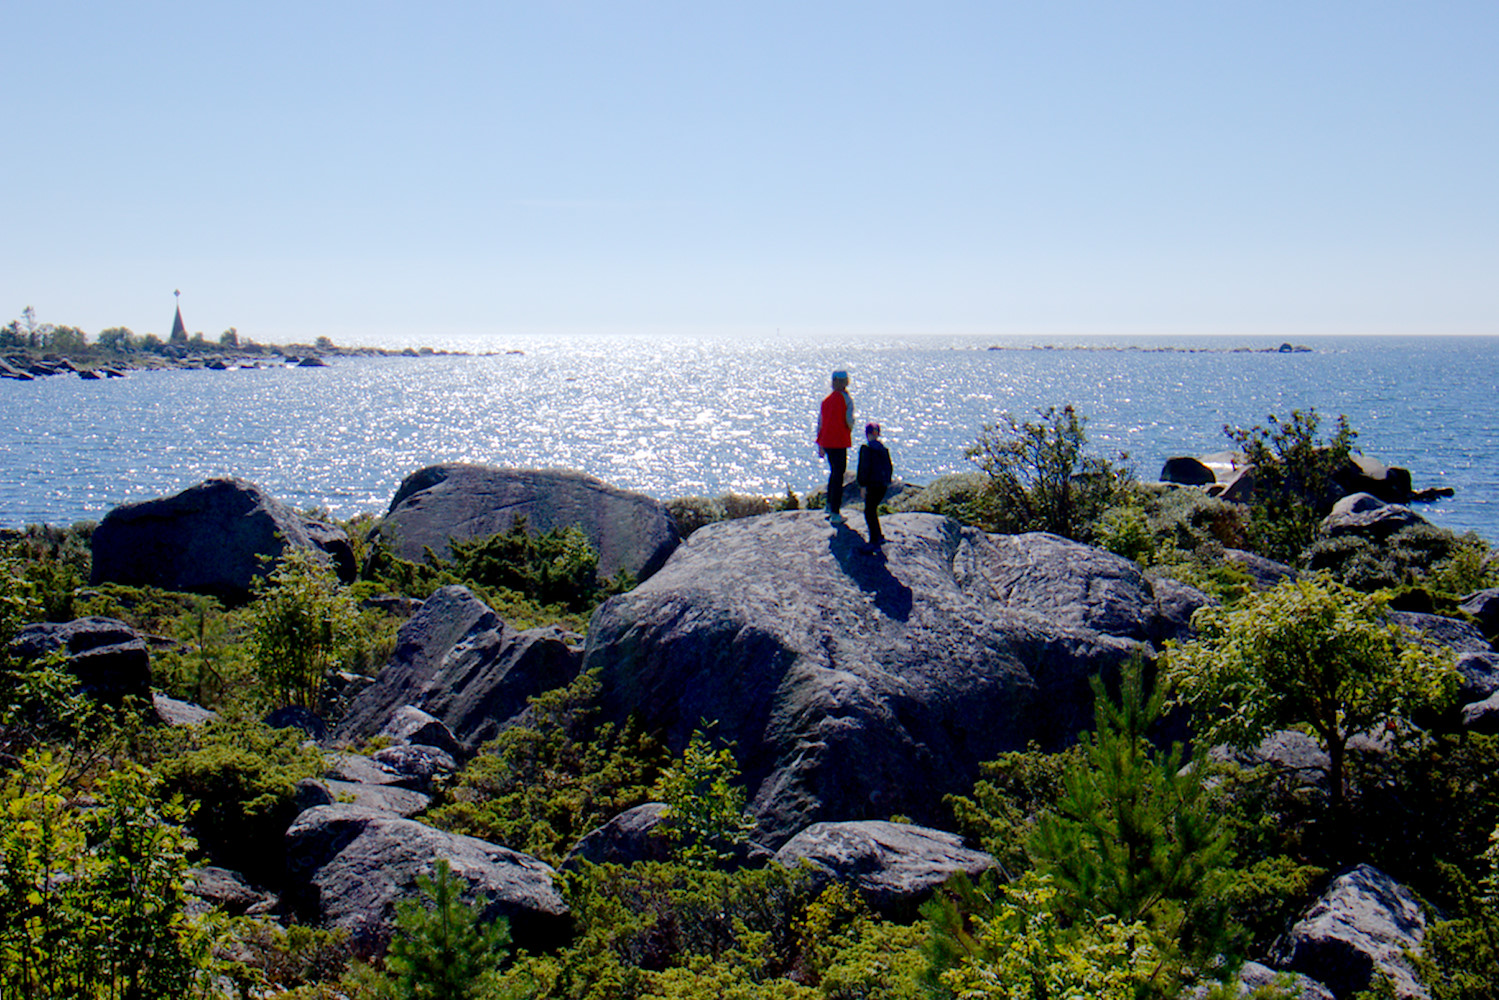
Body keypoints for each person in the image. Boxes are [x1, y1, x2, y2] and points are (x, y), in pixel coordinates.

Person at [815, 370, 855, 525]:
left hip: (827, 441)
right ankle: (835, 512)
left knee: (834, 473)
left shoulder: (826, 400)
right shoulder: (846, 399)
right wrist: (849, 429)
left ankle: (829, 505)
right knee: (839, 475)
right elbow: (849, 421)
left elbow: (820, 423)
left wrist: (820, 444)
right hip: (839, 441)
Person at [856, 422, 893, 548]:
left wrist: (862, 485)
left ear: (867, 434)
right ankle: (879, 536)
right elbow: (889, 467)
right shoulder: (883, 449)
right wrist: (887, 481)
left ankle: (874, 540)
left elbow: (863, 468)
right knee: (872, 510)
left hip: (872, 485)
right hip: (882, 485)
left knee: (869, 512)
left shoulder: (866, 448)